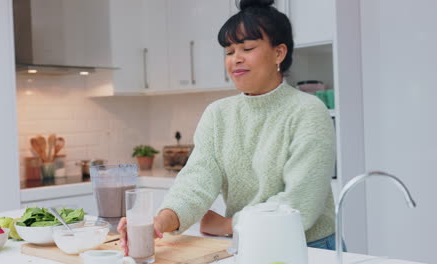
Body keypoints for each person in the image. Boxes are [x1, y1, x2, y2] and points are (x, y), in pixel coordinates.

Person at [119, 0, 339, 253]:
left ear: (279, 53)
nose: (236, 59)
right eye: (229, 51)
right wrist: (159, 222)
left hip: (308, 247)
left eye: (247, 48)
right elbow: (195, 182)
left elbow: (300, 204)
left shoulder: (307, 111)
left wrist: (227, 224)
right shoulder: (218, 114)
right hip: (246, 244)